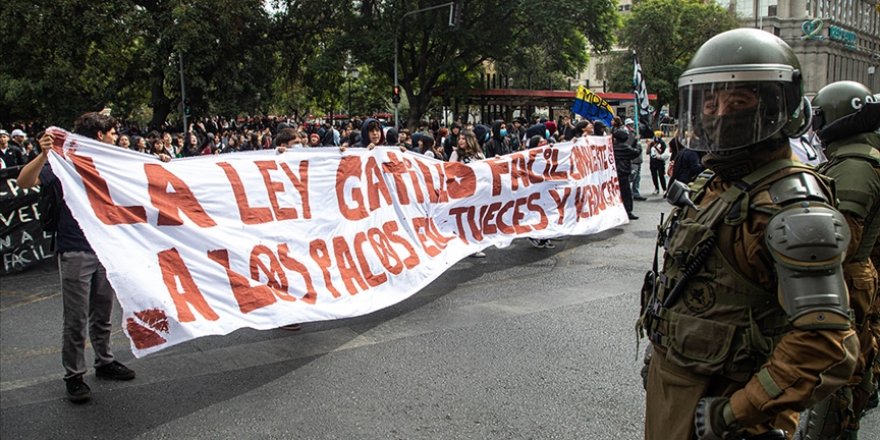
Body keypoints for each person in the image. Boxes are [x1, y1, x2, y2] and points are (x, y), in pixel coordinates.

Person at [639, 28, 858, 440]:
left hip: (728, 410)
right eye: (710, 100)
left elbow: (826, 344)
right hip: (677, 391)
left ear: (778, 107)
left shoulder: (791, 207)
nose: (720, 113)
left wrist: (734, 412)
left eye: (739, 101)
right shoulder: (714, 182)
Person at [16, 112, 157, 403]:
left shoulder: (109, 163)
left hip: (105, 248)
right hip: (75, 248)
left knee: (103, 310)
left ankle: (104, 361)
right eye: (112, 134)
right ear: (98, 136)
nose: (116, 138)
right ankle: (74, 375)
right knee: (76, 317)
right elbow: (23, 181)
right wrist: (43, 155)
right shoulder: (61, 164)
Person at [796, 81, 880, 439]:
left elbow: (839, 240)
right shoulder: (859, 156)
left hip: (845, 277)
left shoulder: (855, 166)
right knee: (853, 359)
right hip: (857, 273)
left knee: (834, 364)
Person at [450, 129, 488, 258]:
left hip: (477, 193)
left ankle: (474, 246)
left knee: (475, 219)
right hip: (461, 193)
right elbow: (449, 170)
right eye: (459, 138)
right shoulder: (456, 154)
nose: (460, 141)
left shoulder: (479, 155)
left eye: (463, 138)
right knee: (463, 220)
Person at [611, 116, 640, 220]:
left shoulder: (612, 148)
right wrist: (637, 143)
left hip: (614, 173)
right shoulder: (626, 148)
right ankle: (627, 211)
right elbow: (636, 152)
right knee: (626, 193)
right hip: (623, 173)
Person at [625, 118, 647, 201]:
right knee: (632, 177)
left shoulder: (634, 133)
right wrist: (635, 139)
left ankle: (635, 193)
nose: (631, 126)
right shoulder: (628, 134)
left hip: (638, 159)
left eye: (632, 124)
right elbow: (629, 146)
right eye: (629, 124)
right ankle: (629, 193)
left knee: (637, 178)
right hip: (633, 160)